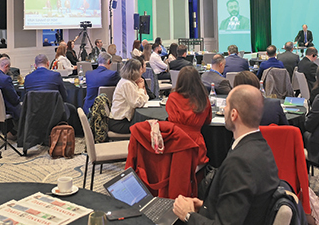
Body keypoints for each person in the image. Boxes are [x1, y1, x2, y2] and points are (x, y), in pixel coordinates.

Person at [173, 85, 280, 224]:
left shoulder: (239, 163)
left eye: (227, 105)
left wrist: (188, 215)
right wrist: (206, 205)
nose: (224, 109)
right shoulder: (262, 148)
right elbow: (241, 204)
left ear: (234, 114)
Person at [166, 67, 212, 165]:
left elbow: (169, 118)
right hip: (195, 147)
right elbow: (208, 121)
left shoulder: (173, 97)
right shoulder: (203, 99)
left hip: (174, 145)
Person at [109, 59, 149, 134]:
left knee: (148, 124)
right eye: (140, 69)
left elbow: (145, 98)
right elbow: (137, 103)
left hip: (124, 120)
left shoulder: (131, 82)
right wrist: (141, 88)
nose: (142, 72)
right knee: (147, 127)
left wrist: (142, 88)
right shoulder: (126, 84)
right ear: (135, 72)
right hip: (119, 123)